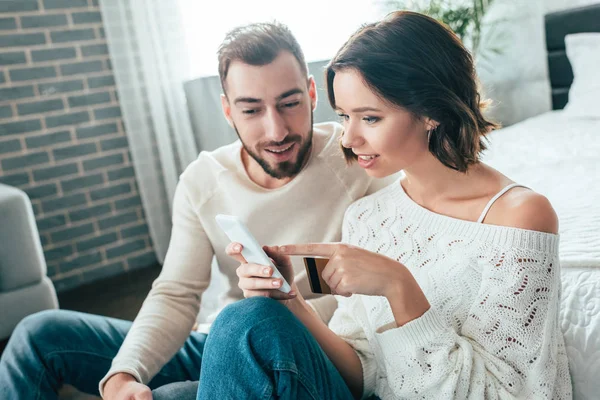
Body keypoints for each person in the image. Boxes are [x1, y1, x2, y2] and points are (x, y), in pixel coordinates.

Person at [0, 22, 391, 400]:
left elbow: (384, 279)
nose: (276, 131)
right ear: (227, 110)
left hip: (312, 351)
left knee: (177, 389)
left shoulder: (358, 155)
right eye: (251, 110)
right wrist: (125, 372)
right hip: (225, 339)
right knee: (39, 335)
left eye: (289, 103)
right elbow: (177, 292)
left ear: (311, 94)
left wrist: (288, 297)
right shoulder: (203, 180)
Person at [195, 11, 572, 400]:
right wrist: (290, 299)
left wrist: (398, 286)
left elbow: (515, 393)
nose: (349, 137)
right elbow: (362, 374)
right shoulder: (367, 217)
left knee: (238, 327)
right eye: (343, 116)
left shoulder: (519, 216)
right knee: (234, 331)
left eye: (370, 118)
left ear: (431, 111)